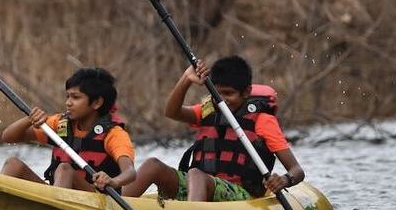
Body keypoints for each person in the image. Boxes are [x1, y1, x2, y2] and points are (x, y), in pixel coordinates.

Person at [122, 55, 304, 202]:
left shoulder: (263, 121)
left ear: (246, 92)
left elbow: (297, 170)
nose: (222, 100)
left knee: (197, 174)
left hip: (240, 195)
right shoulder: (208, 111)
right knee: (153, 165)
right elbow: (172, 112)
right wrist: (187, 79)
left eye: (229, 94)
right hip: (198, 186)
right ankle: (119, 208)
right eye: (218, 94)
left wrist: (284, 180)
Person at [0, 67, 137, 192]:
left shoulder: (113, 134)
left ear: (97, 103)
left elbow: (130, 172)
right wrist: (29, 119)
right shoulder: (60, 123)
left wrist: (113, 181)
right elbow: (8, 137)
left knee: (65, 169)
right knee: (13, 164)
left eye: (76, 97)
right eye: (68, 96)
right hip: (57, 193)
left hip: (97, 200)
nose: (68, 103)